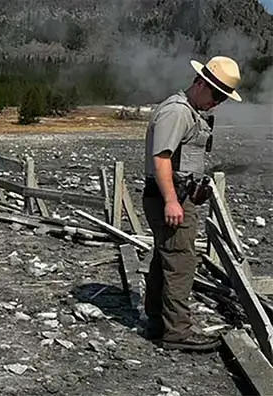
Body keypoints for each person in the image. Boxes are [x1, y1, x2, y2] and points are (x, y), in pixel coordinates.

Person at [142, 56, 242, 352]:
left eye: (223, 98)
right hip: (168, 198)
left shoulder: (189, 112)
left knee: (166, 259)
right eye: (216, 95)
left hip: (176, 195)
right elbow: (161, 158)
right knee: (181, 263)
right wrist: (172, 200)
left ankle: (159, 323)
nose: (218, 102)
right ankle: (177, 333)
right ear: (201, 84)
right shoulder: (178, 112)